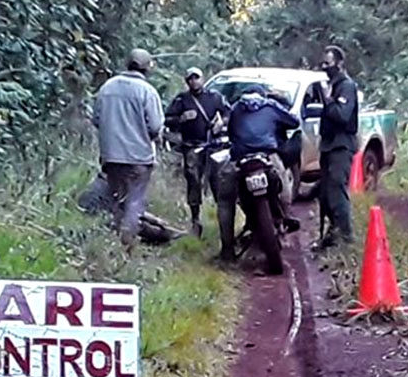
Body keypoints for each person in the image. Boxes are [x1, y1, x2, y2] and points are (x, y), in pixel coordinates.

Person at [211, 84, 299, 261]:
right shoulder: (271, 106)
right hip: (267, 155)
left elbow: (231, 133)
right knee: (284, 187)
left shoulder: (236, 108)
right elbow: (294, 122)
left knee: (225, 199)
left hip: (241, 158)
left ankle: (227, 249)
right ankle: (285, 218)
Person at [92, 48, 164, 252]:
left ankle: (113, 246)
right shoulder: (147, 91)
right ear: (146, 68)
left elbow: (96, 119)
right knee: (134, 203)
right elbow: (156, 127)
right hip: (138, 158)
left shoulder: (107, 87)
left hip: (111, 157)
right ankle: (127, 246)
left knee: (116, 200)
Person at [164, 67, 231, 238]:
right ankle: (195, 221)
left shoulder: (214, 97)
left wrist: (221, 123)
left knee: (218, 183)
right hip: (191, 146)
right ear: (187, 82)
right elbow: (167, 119)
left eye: (197, 77)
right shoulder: (181, 100)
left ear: (202, 78)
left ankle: (223, 222)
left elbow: (228, 112)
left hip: (213, 146)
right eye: (190, 79)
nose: (194, 81)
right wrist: (181, 119)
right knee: (193, 182)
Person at [316, 45, 359, 249]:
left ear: (340, 64)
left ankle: (346, 237)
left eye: (329, 63)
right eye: (323, 63)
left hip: (341, 145)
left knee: (336, 190)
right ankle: (332, 234)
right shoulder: (332, 84)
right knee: (324, 193)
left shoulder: (346, 86)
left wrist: (328, 100)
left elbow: (342, 115)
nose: (325, 67)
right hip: (328, 145)